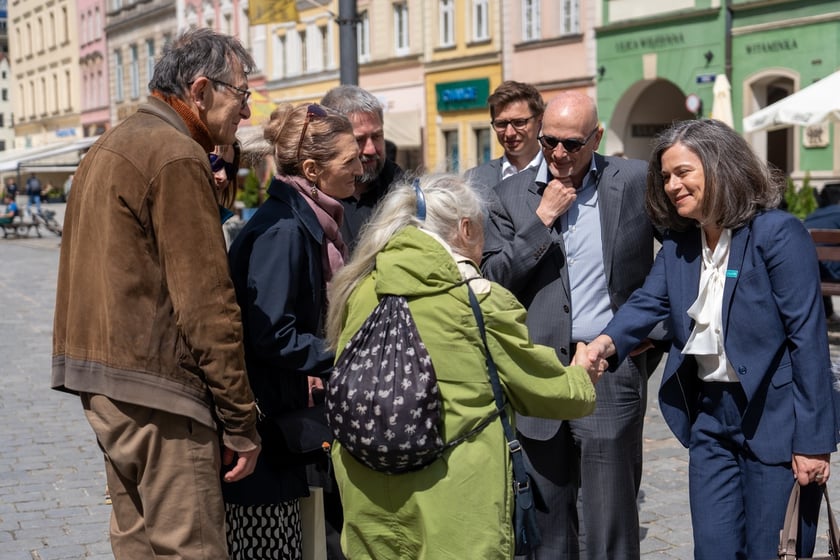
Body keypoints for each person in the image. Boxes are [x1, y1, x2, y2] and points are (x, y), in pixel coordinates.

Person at [586, 118, 840, 559]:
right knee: (713, 549)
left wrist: (814, 443)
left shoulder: (775, 233)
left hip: (774, 418)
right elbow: (645, 305)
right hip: (710, 419)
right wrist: (601, 346)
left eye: (683, 172)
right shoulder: (681, 245)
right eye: (665, 176)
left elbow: (808, 341)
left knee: (771, 549)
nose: (671, 185)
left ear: (720, 166)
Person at [51, 28, 261, 559]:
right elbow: (208, 305)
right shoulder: (173, 156)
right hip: (159, 391)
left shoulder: (112, 143)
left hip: (106, 383)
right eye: (243, 94)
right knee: (190, 550)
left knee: (139, 547)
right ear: (200, 90)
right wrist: (240, 421)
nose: (248, 112)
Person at [324, 174, 602, 559]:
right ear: (465, 229)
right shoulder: (478, 299)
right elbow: (540, 388)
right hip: (454, 493)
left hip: (365, 486)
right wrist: (582, 377)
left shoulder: (359, 287)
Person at [481, 91, 664, 560]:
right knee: (547, 522)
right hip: (536, 372)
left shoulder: (636, 180)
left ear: (597, 137)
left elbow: (681, 261)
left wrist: (651, 329)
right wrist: (542, 220)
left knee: (609, 520)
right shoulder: (507, 197)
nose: (559, 154)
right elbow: (490, 279)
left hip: (607, 367)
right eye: (549, 142)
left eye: (572, 144)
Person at [224, 102, 362, 559]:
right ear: (311, 169)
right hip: (268, 428)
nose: (361, 168)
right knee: (272, 545)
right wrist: (347, 350)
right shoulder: (282, 230)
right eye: (350, 160)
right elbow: (272, 333)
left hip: (286, 419)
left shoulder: (309, 220)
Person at [321, 84, 403, 250]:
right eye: (359, 140)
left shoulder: (405, 190)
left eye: (377, 136)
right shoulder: (312, 198)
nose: (371, 149)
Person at [465, 80, 545, 189]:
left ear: (539, 121)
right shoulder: (475, 181)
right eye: (501, 124)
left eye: (519, 122)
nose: (509, 133)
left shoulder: (558, 173)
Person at [803, 182, 840, 322]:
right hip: (832, 273)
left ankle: (828, 313)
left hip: (812, 273)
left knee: (820, 263)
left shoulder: (811, 216)